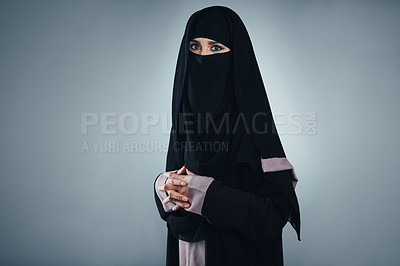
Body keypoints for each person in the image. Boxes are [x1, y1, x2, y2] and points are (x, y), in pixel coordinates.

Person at [154, 6, 301, 266]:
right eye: (195, 48)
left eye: (216, 48)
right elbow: (174, 199)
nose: (203, 57)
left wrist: (203, 192)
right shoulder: (186, 120)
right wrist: (162, 185)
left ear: (236, 57)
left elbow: (275, 213)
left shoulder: (253, 128)